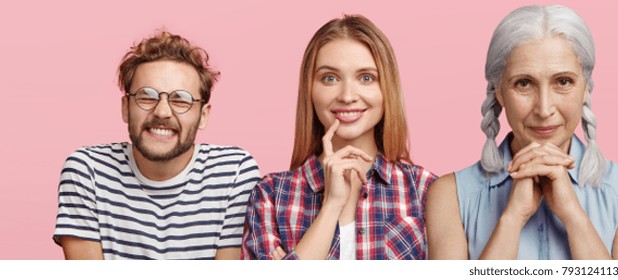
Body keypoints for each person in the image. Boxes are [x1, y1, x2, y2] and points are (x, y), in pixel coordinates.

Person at [425, 5, 618, 260]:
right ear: (499, 91)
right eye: (524, 83)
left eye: (563, 82)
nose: (544, 109)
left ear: (586, 87)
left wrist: (573, 215)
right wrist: (512, 218)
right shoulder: (449, 196)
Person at [242, 15, 436, 260]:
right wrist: (331, 206)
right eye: (329, 78)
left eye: (366, 78)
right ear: (310, 90)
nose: (347, 96)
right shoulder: (271, 195)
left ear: (387, 88)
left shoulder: (425, 191)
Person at [53, 31, 260, 259]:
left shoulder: (234, 172)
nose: (162, 111)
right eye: (147, 97)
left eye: (181, 100)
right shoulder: (88, 171)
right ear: (125, 107)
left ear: (203, 116)